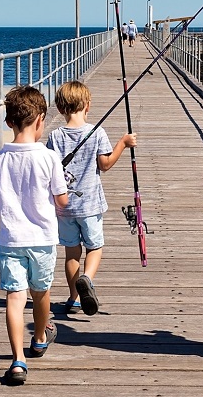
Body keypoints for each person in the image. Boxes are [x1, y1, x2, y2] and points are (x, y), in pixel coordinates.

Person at [0, 85, 68, 385]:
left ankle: (17, 360)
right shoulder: (49, 158)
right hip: (42, 240)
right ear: (41, 119)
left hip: (10, 241)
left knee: (14, 298)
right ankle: (41, 337)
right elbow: (62, 200)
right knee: (41, 294)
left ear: (8, 122)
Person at [45, 80, 136, 316]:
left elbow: (50, 168)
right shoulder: (97, 133)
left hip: (64, 206)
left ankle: (74, 299)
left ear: (61, 108)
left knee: (71, 252)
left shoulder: (55, 136)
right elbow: (105, 165)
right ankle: (87, 278)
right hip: (90, 205)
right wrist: (122, 144)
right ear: (87, 105)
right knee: (94, 247)